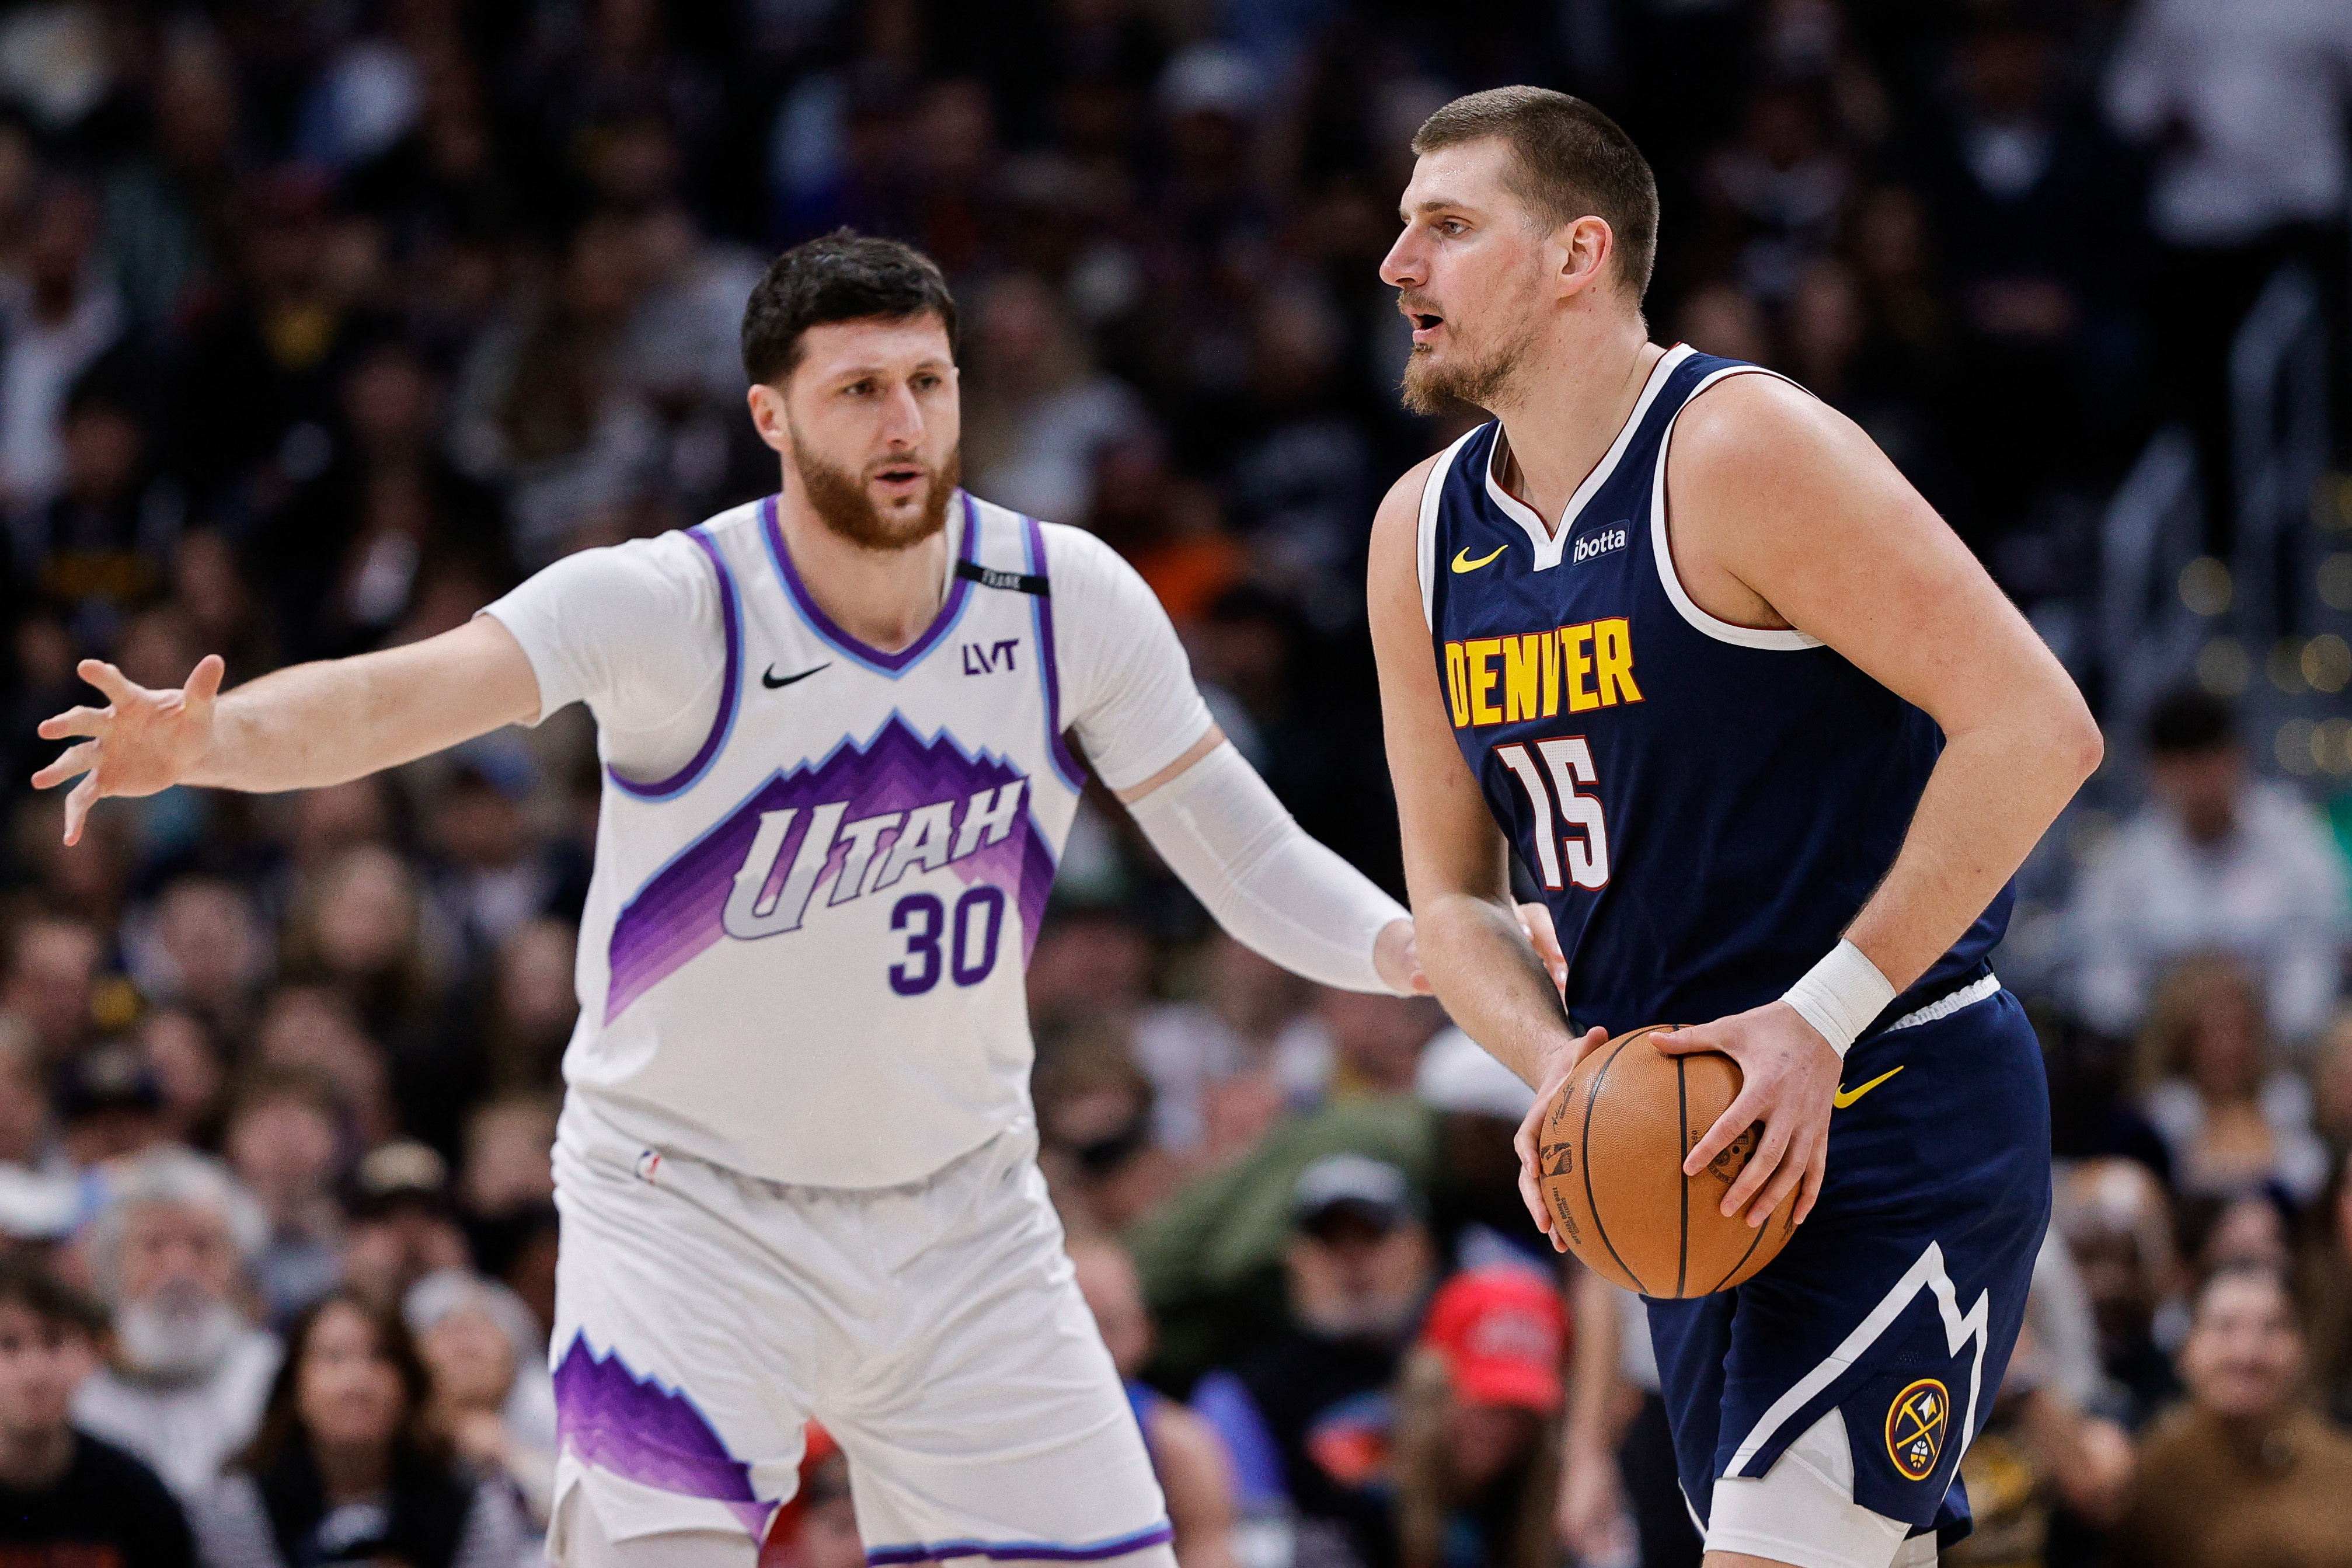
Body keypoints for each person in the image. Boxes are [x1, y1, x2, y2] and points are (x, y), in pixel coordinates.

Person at [30, 231, 1503, 1568]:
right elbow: (407, 696)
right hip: (687, 1210)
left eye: (928, 379)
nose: (906, 421)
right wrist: (210, 740)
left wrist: (1408, 943)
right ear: (770, 415)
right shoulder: (669, 603)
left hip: (963, 1213)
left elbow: (1239, 849)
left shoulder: (1067, 598)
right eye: (859, 387)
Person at [1367, 88, 2101, 1568]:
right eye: (1402, 226)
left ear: (1577, 254)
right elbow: (1449, 897)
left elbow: (2037, 727)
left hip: (1886, 1089)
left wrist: (1817, 1017)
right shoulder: (1418, 533)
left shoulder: (1735, 447)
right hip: (1681, 1136)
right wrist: (1561, 1069)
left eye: (1446, 226)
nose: (1396, 263)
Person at [2071, 688, 2349, 1047]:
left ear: (2238, 758)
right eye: (2185, 767)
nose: (2201, 784)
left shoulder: (2295, 837)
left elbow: (2321, 953)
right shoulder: (2123, 863)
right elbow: (2101, 986)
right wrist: (2175, 1018)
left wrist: (2254, 1029)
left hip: (2278, 1058)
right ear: (2156, 773)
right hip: (2162, 1060)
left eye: (2210, 762)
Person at [189, 1290, 531, 1568]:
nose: (357, 1383)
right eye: (334, 1358)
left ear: (410, 1385)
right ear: (294, 1387)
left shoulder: (471, 1499)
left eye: (379, 1358)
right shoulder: (240, 1501)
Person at [2107, 1263, 2352, 1568]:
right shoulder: (2143, 1478)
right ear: (2186, 1350)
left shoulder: (2342, 1464)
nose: (2248, 1353)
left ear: (2301, 1349)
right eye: (2225, 1328)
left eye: (2273, 1328)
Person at [71, 1148, 280, 1502]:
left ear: (240, 1267)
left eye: (203, 1246)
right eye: (154, 1247)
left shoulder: (275, 1377)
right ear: (112, 1268)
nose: (180, 1270)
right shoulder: (77, 1386)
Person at [0, 1252, 195, 1566]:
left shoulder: (136, 1496)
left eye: (54, 1342)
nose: (33, 1371)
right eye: (8, 1345)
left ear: (94, 1353)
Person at [1069, 1241, 1239, 1568]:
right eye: (1078, 1327)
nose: (1094, 1348)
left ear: (1144, 1329)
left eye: (1108, 1326)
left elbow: (1211, 1553)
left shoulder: (1177, 1444)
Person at [1391, 1268, 1565, 1568]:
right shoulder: (1364, 1493)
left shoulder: (1534, 1510)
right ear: (1431, 1392)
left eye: (1521, 1411)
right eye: (1487, 1402)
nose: (1503, 1429)